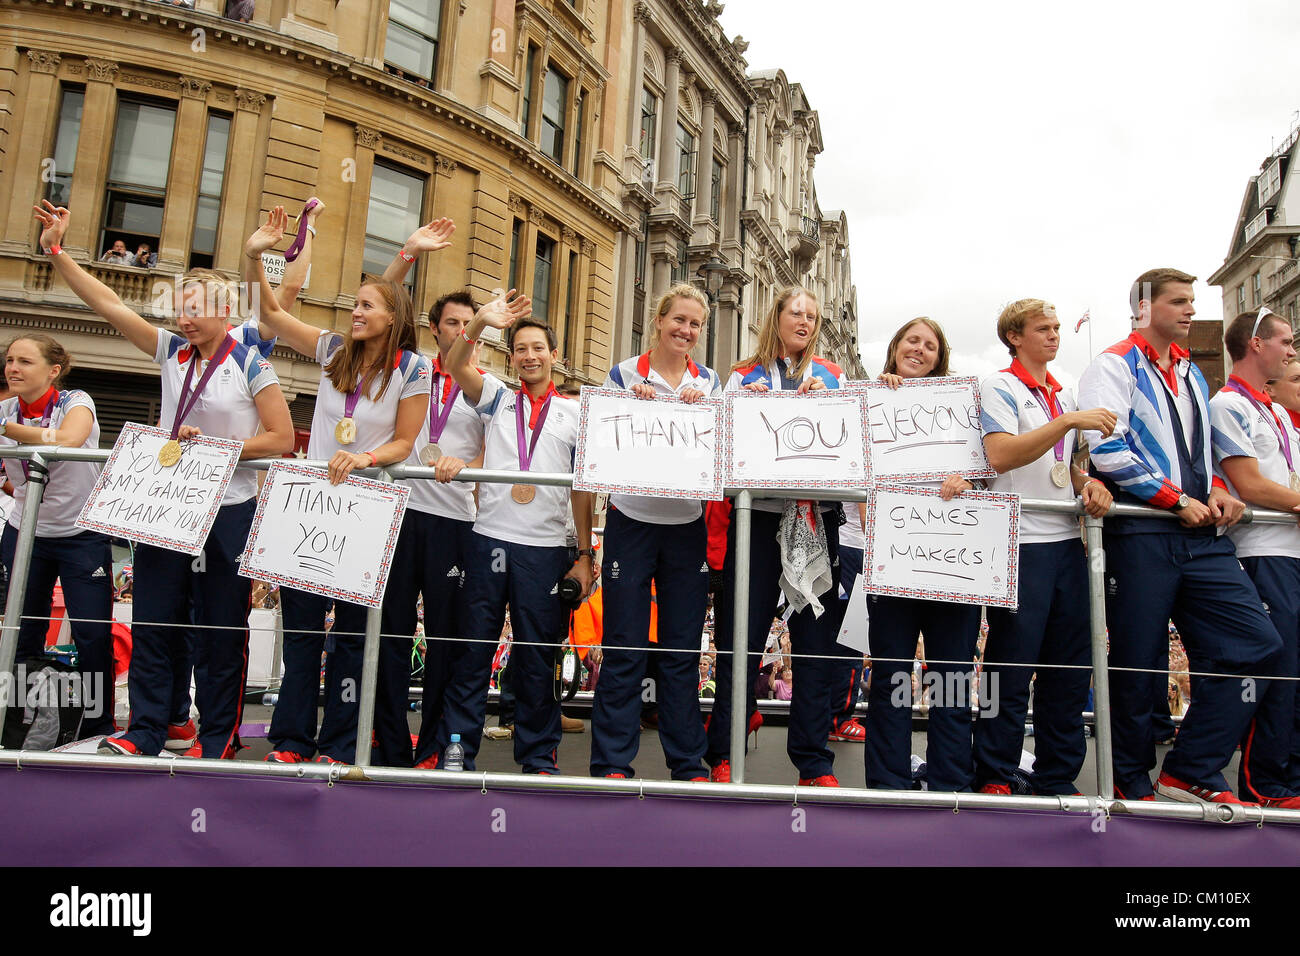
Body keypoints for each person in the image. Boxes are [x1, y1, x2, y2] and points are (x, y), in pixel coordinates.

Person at [33, 199, 296, 758]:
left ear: (225, 310)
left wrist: (218, 450)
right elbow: (107, 302)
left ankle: (219, 736)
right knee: (154, 620)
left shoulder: (250, 362)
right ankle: (148, 729)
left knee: (220, 630)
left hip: (228, 510)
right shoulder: (172, 352)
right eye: (179, 308)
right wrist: (57, 251)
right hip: (168, 505)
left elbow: (280, 438)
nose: (183, 318)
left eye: (194, 309)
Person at [1077, 267, 1282, 804]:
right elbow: (1107, 450)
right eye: (1179, 301)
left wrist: (1214, 487)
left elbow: (1205, 449)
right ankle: (1130, 779)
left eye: (1192, 300)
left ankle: (1189, 768)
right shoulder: (1112, 365)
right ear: (1144, 309)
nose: (1191, 310)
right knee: (1138, 664)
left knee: (1258, 645)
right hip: (1143, 531)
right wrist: (1178, 499)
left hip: (1200, 533)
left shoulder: (1192, 370)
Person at [244, 205, 431, 765]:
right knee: (300, 633)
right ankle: (292, 740)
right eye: (354, 305)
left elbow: (405, 442)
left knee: (352, 638)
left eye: (366, 306)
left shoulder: (411, 368)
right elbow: (272, 314)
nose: (355, 312)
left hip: (366, 511)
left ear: (391, 318)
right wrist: (259, 258)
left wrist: (365, 457)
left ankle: (341, 743)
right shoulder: (331, 353)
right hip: (311, 506)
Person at [441, 293, 596, 774]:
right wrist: (482, 323)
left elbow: (583, 490)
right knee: (473, 652)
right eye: (521, 349)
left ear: (555, 357)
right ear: (511, 359)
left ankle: (537, 754)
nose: (530, 356)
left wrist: (585, 554)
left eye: (538, 348)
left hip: (547, 548)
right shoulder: (495, 397)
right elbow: (455, 364)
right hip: (488, 537)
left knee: (538, 659)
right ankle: (458, 748)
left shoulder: (575, 413)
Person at [705, 285, 848, 786]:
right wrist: (747, 406)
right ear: (777, 318)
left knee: (814, 646)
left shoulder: (833, 376)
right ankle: (723, 750)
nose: (804, 321)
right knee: (740, 640)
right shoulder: (743, 375)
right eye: (796, 312)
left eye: (812, 314)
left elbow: (850, 442)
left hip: (816, 518)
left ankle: (813, 761)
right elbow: (720, 443)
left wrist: (830, 404)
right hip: (759, 518)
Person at [974, 299, 1115, 796]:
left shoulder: (1060, 393)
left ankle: (1058, 773)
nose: (1055, 336)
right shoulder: (1000, 385)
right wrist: (1068, 420)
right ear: (1015, 336)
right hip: (1020, 542)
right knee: (1010, 667)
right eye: (1043, 328)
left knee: (1069, 669)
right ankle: (993, 771)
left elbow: (1058, 466)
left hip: (1065, 544)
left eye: (1057, 328)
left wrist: (1086, 483)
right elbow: (1002, 453)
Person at [372, 219, 492, 770]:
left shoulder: (486, 386)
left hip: (453, 523)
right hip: (398, 514)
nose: (461, 330)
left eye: (471, 324)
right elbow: (383, 304)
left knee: (446, 640)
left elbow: (496, 455)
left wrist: (463, 466)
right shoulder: (411, 367)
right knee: (391, 632)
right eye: (452, 323)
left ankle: (435, 744)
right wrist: (409, 252)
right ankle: (388, 741)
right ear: (435, 326)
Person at [589, 283, 719, 781]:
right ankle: (612, 763)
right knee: (624, 646)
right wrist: (632, 404)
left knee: (682, 651)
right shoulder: (623, 374)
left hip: (686, 525)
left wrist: (703, 412)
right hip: (631, 520)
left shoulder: (709, 382)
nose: (686, 330)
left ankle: (687, 762)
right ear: (659, 320)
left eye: (695, 324)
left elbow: (722, 451)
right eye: (678, 320)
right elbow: (601, 440)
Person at [864, 317, 985, 792]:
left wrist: (969, 482)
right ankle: (888, 780)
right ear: (895, 347)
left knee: (952, 677)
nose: (920, 350)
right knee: (891, 674)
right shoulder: (872, 399)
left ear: (941, 359)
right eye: (912, 341)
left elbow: (985, 468)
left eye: (930, 346)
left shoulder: (962, 407)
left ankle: (950, 778)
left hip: (953, 561)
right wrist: (878, 393)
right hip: (894, 559)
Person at [0, 334, 116, 738]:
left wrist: (7, 428)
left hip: (81, 534)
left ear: (53, 370)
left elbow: (68, 440)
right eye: (10, 360)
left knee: (92, 634)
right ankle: (14, 722)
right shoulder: (4, 410)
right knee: (20, 631)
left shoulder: (74, 401)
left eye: (25, 362)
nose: (13, 368)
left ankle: (97, 726)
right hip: (24, 532)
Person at [1208, 308, 1300, 808]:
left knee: (1297, 672)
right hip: (1263, 552)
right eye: (1284, 341)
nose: (1291, 350)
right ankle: (1265, 783)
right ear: (1255, 344)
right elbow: (1249, 483)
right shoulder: (1227, 404)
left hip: (1291, 548)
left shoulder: (1276, 409)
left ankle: (1290, 774)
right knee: (1277, 671)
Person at [827, 501, 867, 742]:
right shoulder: (868, 462)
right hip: (853, 547)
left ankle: (832, 717)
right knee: (852, 637)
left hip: (842, 544)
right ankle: (839, 718)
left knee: (841, 635)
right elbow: (867, 515)